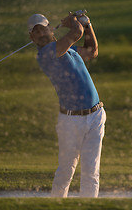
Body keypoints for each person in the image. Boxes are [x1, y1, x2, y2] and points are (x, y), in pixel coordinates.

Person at [27, 11, 106, 198]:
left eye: (41, 28)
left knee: (91, 172)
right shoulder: (45, 54)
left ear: (49, 28)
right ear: (31, 37)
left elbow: (92, 50)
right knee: (66, 171)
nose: (39, 33)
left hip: (95, 115)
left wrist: (87, 25)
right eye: (34, 32)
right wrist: (75, 22)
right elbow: (75, 33)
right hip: (71, 121)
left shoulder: (68, 49)